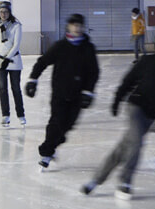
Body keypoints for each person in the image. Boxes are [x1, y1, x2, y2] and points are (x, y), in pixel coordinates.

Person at [82, 33, 155, 200]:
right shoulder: (146, 62)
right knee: (136, 144)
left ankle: (95, 180)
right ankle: (125, 181)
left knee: (124, 148)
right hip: (135, 108)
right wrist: (116, 101)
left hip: (151, 116)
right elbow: (128, 81)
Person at [26, 14, 100, 170]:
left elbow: (94, 72)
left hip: (78, 96)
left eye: (79, 25)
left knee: (67, 126)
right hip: (59, 93)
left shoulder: (88, 48)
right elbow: (43, 62)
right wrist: (33, 80)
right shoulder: (60, 46)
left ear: (83, 27)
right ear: (69, 27)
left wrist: (89, 91)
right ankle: (46, 154)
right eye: (74, 25)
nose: (77, 28)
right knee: (56, 123)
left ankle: (52, 145)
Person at [0, 1, 26, 127]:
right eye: (1, 12)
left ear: (9, 12)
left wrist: (7, 59)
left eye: (5, 12)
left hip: (14, 61)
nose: (3, 14)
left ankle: (21, 115)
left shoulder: (16, 26)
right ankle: (5, 115)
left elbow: (16, 45)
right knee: (2, 89)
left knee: (15, 88)